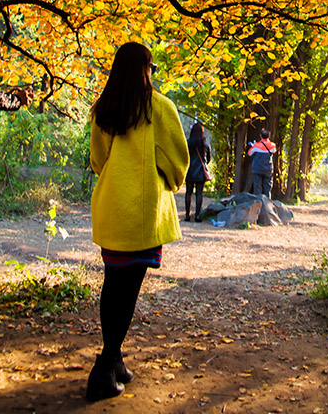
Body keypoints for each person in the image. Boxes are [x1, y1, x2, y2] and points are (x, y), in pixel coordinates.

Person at [86, 42, 189, 403]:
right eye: (152, 67)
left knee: (113, 285)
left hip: (112, 210)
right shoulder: (159, 107)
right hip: (144, 215)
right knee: (127, 291)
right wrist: (169, 182)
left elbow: (98, 161)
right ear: (146, 69)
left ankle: (114, 361)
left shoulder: (104, 108)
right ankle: (103, 368)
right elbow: (177, 161)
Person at [185, 121, 211, 222]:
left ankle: (187, 215)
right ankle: (197, 216)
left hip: (189, 171)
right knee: (199, 193)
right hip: (200, 172)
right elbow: (208, 159)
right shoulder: (205, 144)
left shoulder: (188, 143)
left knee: (188, 192)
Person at [248, 128, 276, 197]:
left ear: (260, 136)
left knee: (257, 187)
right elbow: (274, 151)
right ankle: (268, 201)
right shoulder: (272, 146)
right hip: (268, 169)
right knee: (267, 188)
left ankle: (258, 201)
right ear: (269, 136)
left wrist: (254, 145)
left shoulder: (256, 146)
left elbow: (249, 153)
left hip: (257, 169)